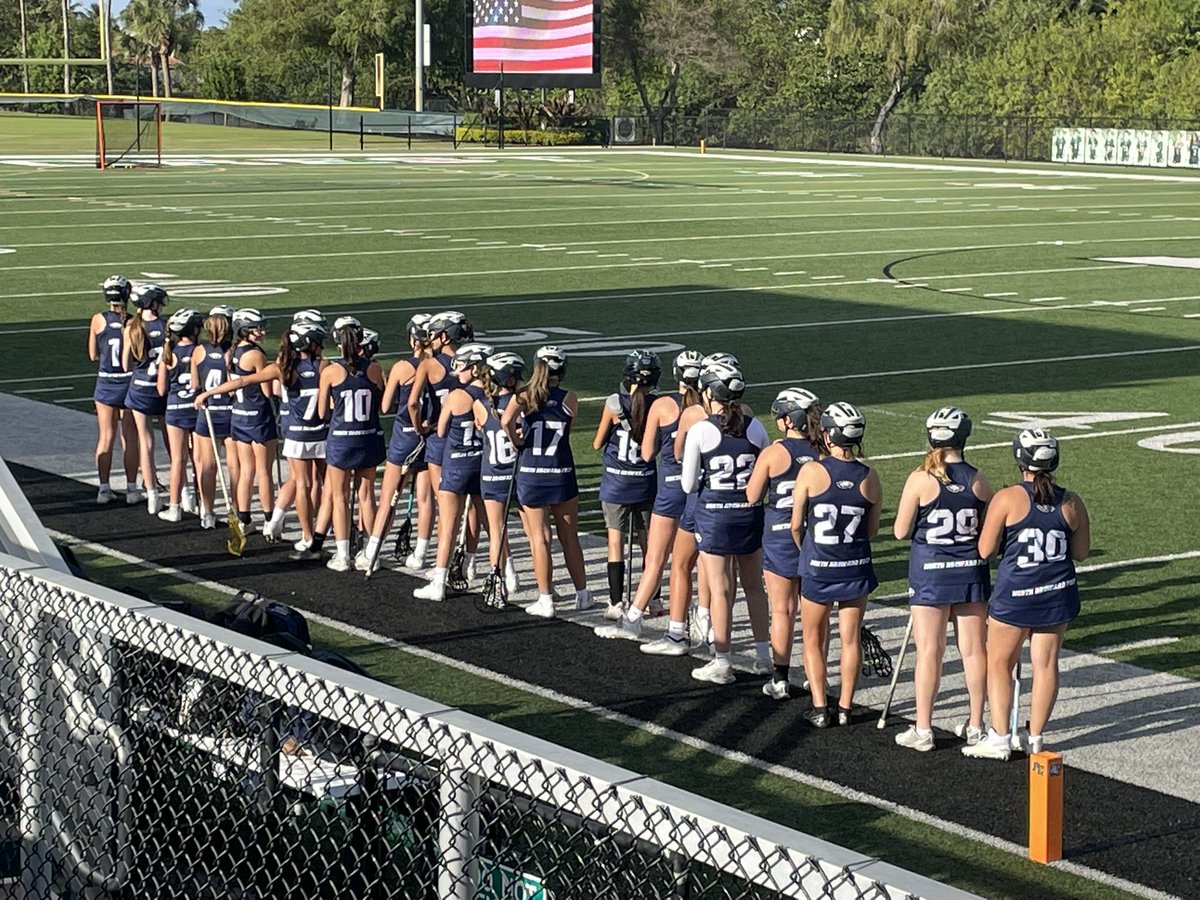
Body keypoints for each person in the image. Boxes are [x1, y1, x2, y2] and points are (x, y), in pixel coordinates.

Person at [963, 429, 1089, 761]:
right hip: (1057, 594)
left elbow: (985, 550)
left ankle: (1000, 737)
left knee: (999, 664)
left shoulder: (1007, 498)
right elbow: (1081, 552)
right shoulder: (1072, 501)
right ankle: (1035, 738)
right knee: (1046, 665)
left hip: (1016, 595)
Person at [892, 407, 993, 751]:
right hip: (970, 573)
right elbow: (989, 536)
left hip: (931, 574)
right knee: (974, 651)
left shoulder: (921, 478)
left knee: (929, 652)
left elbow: (900, 530)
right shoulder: (978, 480)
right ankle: (976, 725)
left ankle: (923, 728)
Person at [601, 350, 704, 645]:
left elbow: (647, 453)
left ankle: (634, 619)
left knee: (657, 559)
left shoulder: (663, 404)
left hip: (670, 490)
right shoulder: (708, 410)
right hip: (701, 492)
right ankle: (703, 621)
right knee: (699, 565)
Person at [196, 321, 329, 548]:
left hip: (294, 433)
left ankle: (303, 534)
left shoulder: (281, 367)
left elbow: (243, 381)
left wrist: (208, 393)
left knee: (300, 483)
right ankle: (324, 533)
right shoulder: (326, 366)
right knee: (328, 487)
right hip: (320, 432)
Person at [790, 402, 882, 727]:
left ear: (828, 435)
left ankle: (820, 708)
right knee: (850, 638)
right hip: (855, 566)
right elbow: (871, 530)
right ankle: (845, 708)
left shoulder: (811, 472)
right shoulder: (870, 476)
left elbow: (796, 526)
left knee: (813, 639)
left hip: (819, 567)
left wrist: (809, 552)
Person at [681, 361, 771, 685]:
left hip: (715, 515)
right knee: (754, 586)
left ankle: (722, 661)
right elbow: (766, 474)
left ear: (709, 393)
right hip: (749, 513)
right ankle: (764, 657)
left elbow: (688, 485)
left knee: (719, 589)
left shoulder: (701, 430)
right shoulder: (756, 427)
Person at [745, 387, 825, 700]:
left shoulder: (774, 453)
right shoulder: (823, 451)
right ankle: (814, 677)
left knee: (782, 610)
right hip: (815, 537)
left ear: (789, 420)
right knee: (814, 615)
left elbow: (752, 495)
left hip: (779, 537)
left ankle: (780, 678)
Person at [502, 346, 592, 618]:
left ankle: (546, 599)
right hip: (561, 471)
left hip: (532, 473)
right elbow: (566, 430)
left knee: (539, 539)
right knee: (569, 536)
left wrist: (517, 441)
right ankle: (583, 593)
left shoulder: (523, 396)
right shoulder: (569, 398)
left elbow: (506, 421)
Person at [414, 342, 493, 600]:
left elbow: (440, 431)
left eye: (461, 366)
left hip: (457, 464)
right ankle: (506, 577)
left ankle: (439, 582)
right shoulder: (494, 397)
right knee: (493, 525)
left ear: (475, 368)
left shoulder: (458, 396)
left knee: (448, 525)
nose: (457, 371)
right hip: (483, 464)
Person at [362, 314, 434, 572]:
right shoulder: (439, 367)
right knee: (425, 498)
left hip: (404, 436)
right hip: (430, 436)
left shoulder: (403, 367)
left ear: (413, 339)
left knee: (389, 498)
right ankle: (420, 553)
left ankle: (371, 552)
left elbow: (385, 406)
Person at [592, 350, 661, 619]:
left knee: (615, 543)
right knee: (649, 545)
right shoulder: (658, 405)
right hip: (645, 481)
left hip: (616, 482)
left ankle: (615, 602)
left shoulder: (614, 404)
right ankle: (654, 600)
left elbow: (597, 443)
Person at [320, 316, 386, 572]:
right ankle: (370, 553)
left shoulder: (330, 371)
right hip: (368, 436)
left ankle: (342, 555)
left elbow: (322, 412)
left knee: (340, 497)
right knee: (366, 496)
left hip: (341, 439)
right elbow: (382, 404)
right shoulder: (375, 368)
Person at [407, 310, 472, 568]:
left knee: (445, 506)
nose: (430, 339)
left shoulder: (429, 365)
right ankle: (469, 561)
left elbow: (413, 403)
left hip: (439, 438)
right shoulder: (473, 364)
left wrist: (419, 428)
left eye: (433, 334)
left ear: (444, 336)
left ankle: (442, 565)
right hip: (469, 440)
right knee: (474, 507)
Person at [227, 308, 279, 538]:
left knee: (246, 470)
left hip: (239, 414)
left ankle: (244, 519)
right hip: (258, 416)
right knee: (264, 471)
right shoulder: (255, 354)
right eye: (257, 328)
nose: (262, 332)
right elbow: (267, 390)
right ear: (244, 329)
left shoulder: (231, 352)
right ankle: (269, 520)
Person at [89, 274, 139, 505]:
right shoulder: (134, 322)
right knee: (130, 439)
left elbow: (93, 354)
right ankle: (131, 489)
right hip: (128, 383)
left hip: (106, 383)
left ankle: (104, 488)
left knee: (106, 437)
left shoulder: (98, 320)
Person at [479, 350, 525, 596]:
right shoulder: (523, 404)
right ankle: (544, 588)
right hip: (519, 474)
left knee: (496, 531)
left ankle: (503, 578)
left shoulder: (480, 405)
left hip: (492, 474)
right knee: (535, 532)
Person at [121, 282, 169, 515]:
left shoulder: (132, 327)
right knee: (173, 443)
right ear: (153, 303)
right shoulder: (167, 326)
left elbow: (125, 364)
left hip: (140, 388)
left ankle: (152, 495)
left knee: (145, 442)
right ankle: (184, 493)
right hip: (163, 389)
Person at [155, 307, 204, 522]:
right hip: (196, 408)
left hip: (175, 410)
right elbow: (198, 384)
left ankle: (175, 507)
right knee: (199, 459)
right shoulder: (200, 351)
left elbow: (161, 389)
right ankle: (204, 506)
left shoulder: (169, 353)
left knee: (177, 460)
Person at [192, 306, 238, 531]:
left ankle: (207, 511)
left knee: (208, 465)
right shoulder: (235, 351)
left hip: (208, 413)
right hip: (230, 413)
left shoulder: (198, 351)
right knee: (235, 466)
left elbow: (195, 385)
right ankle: (238, 511)